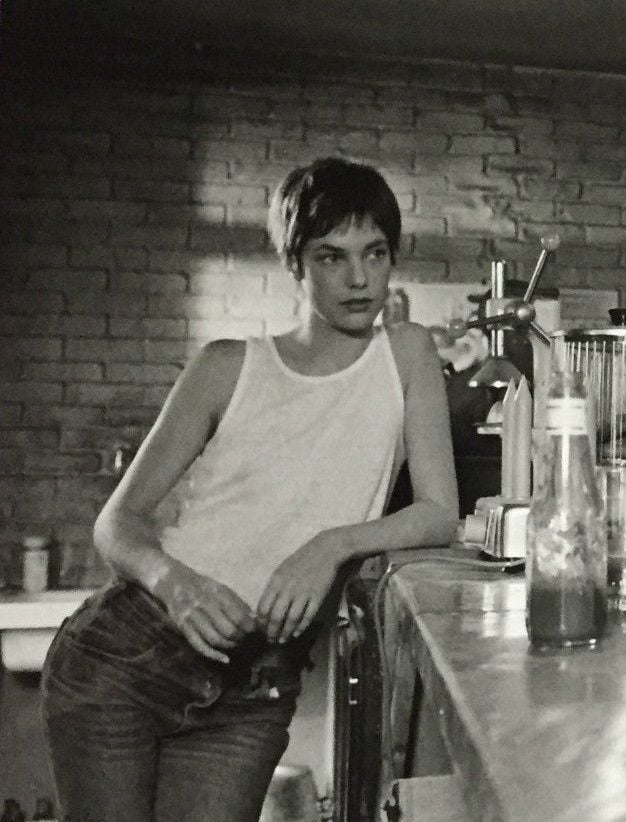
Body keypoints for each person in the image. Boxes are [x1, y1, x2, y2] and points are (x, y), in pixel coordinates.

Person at [41, 157, 458, 821]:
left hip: (255, 689)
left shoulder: (406, 355)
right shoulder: (226, 367)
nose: (358, 279)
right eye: (331, 257)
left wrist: (331, 545)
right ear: (294, 263)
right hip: (128, 658)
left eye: (375, 253)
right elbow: (117, 522)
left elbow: (439, 515)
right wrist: (177, 585)